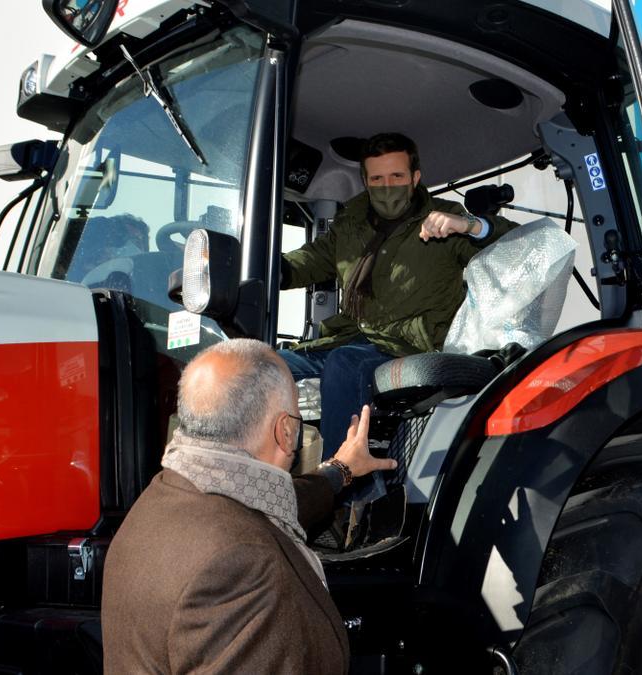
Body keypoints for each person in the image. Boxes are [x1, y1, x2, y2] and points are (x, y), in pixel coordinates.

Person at [102, 338, 397, 674]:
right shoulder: (241, 566)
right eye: (299, 424)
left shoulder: (159, 503)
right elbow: (246, 535)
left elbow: (269, 507)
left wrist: (339, 471)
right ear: (285, 432)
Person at [279, 132, 518, 458]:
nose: (386, 185)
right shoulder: (350, 225)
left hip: (412, 344)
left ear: (415, 178)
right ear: (365, 180)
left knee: (344, 364)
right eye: (377, 178)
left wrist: (470, 226)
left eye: (396, 176)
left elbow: (515, 247)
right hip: (353, 336)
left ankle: (343, 485)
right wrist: (267, 270)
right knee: (266, 365)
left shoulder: (443, 219)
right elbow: (311, 261)